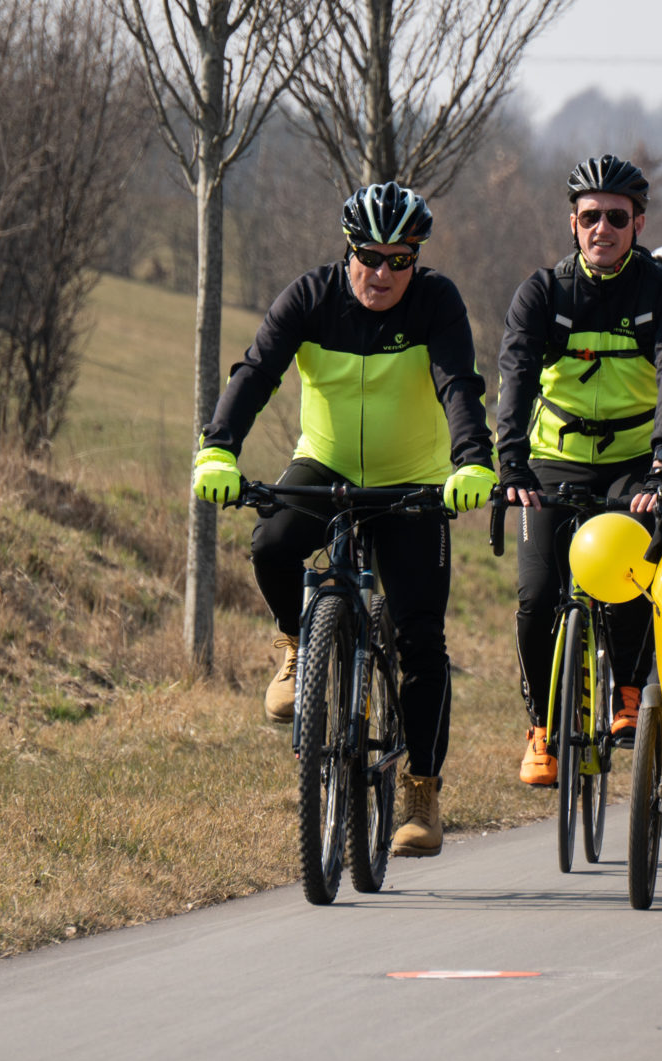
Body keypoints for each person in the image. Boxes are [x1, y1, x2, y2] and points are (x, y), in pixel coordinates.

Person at [192, 181, 496, 858]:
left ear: (415, 258)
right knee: (271, 542)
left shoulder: (436, 302)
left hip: (412, 483)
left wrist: (472, 462)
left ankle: (420, 785)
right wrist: (218, 446)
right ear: (347, 249)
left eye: (398, 258)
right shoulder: (310, 297)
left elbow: (458, 384)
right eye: (368, 256)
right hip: (325, 466)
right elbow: (258, 370)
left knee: (420, 637)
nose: (382, 273)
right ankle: (300, 645)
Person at [495, 154, 662, 786]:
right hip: (553, 459)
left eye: (616, 217)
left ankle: (629, 692)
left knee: (630, 567)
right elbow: (517, 373)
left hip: (635, 459)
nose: (601, 229)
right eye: (589, 218)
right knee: (536, 596)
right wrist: (510, 461)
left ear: (638, 222)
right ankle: (540, 728)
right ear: (573, 223)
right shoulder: (544, 292)